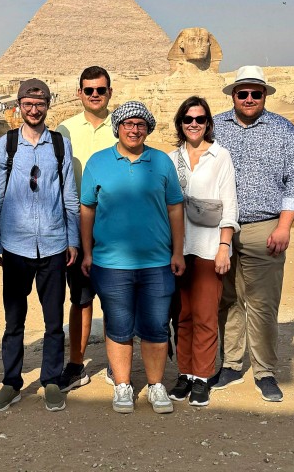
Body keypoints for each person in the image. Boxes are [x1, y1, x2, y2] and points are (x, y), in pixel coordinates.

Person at [80, 101, 185, 415]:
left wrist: (178, 251)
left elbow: (175, 208)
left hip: (156, 262)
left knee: (155, 327)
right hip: (111, 264)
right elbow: (87, 209)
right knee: (119, 327)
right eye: (128, 123)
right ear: (118, 127)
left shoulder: (162, 161)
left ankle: (155, 385)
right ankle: (123, 385)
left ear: (148, 129)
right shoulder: (97, 162)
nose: (134, 129)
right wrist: (87, 252)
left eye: (140, 124)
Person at [212, 66, 294, 402]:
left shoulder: (284, 130)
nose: (250, 98)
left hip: (264, 226)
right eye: (243, 93)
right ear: (233, 95)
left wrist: (284, 226)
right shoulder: (214, 127)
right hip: (220, 228)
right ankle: (231, 363)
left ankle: (265, 370)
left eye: (256, 93)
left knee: (263, 303)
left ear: (265, 95)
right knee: (227, 300)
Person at [0, 78, 79, 413]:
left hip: (54, 245)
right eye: (28, 103)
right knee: (14, 322)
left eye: (39, 104)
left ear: (47, 105)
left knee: (53, 321)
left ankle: (51, 381)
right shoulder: (6, 145)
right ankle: (11, 382)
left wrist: (73, 240)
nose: (33, 109)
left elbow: (69, 196)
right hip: (15, 246)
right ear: (19, 105)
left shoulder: (60, 145)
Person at [166, 96, 239, 407]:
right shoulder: (171, 160)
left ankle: (203, 375)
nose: (193, 124)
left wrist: (225, 246)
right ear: (180, 124)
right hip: (180, 250)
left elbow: (229, 204)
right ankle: (185, 372)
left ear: (208, 123)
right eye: (187, 119)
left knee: (206, 316)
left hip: (210, 249)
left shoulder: (220, 156)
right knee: (182, 317)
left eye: (199, 119)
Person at [55, 65, 117, 392]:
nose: (95, 95)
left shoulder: (123, 128)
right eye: (89, 90)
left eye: (101, 90)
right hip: (77, 227)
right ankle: (76, 364)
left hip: (115, 226)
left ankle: (114, 363)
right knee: (79, 298)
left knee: (115, 297)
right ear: (79, 92)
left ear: (110, 92)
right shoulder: (63, 131)